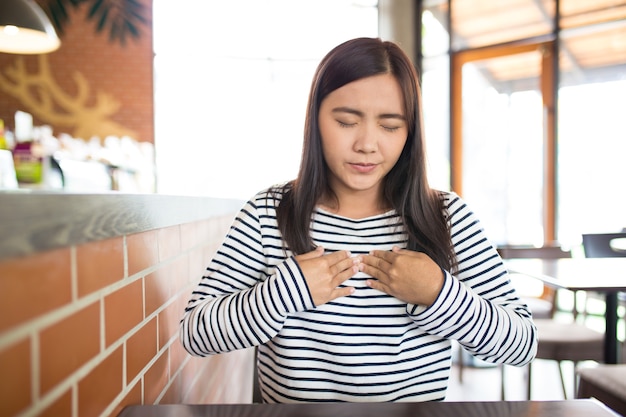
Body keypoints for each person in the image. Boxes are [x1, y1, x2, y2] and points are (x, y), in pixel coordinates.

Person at [180, 37, 537, 403]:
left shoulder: (446, 217)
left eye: (390, 126)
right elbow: (195, 334)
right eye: (347, 121)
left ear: (410, 132)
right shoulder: (269, 213)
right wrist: (284, 293)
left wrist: (438, 294)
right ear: (316, 119)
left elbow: (521, 345)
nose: (367, 144)